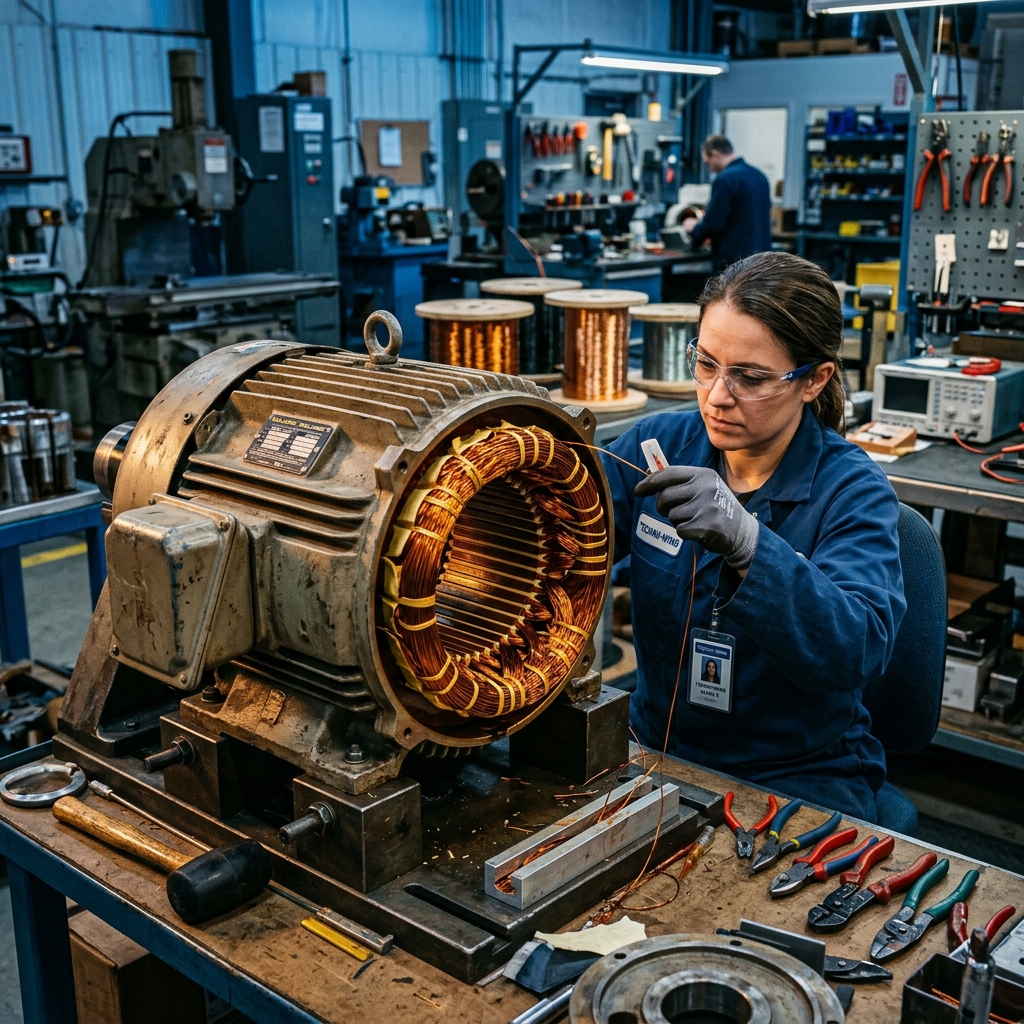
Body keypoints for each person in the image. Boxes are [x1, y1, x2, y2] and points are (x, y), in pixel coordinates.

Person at [602, 251, 905, 822]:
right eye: (707, 363)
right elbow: (565, 539)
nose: (718, 395)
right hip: (654, 746)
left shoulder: (852, 491)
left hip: (797, 771)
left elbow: (857, 647)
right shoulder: (656, 448)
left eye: (750, 377)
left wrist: (750, 544)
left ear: (814, 379)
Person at [683, 134, 772, 271]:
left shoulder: (725, 179)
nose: (709, 168)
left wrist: (694, 230)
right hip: (761, 259)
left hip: (735, 262)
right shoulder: (759, 176)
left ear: (715, 154)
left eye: (707, 163)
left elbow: (714, 223)